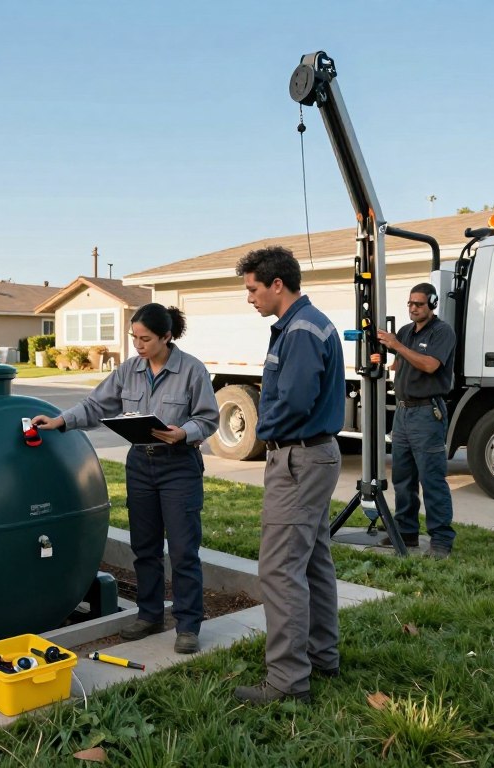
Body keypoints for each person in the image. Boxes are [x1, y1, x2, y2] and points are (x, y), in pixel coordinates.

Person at [31, 303, 218, 654]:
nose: (138, 345)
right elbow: (96, 406)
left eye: (145, 338)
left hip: (179, 465)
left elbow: (208, 419)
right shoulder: (128, 370)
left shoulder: (192, 370)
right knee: (144, 546)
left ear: (166, 336)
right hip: (140, 466)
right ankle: (149, 615)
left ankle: (188, 624)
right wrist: (60, 420)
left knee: (182, 549)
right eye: (134, 337)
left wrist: (184, 433)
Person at [231, 246, 344, 705]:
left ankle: (287, 682)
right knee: (313, 561)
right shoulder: (308, 323)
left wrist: (262, 433)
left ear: (278, 284)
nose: (250, 298)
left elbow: (294, 402)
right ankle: (322, 656)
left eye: (253, 289)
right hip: (315, 457)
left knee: (279, 571)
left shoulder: (299, 331)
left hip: (298, 460)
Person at [375, 283, 456, 559]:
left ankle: (441, 540)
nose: (413, 308)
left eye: (419, 304)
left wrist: (397, 345)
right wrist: (385, 356)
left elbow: (430, 365)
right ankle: (406, 532)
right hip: (403, 412)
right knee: (403, 477)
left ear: (431, 304)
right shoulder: (407, 332)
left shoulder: (442, 332)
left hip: (427, 413)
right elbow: (400, 364)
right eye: (410, 303)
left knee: (431, 478)